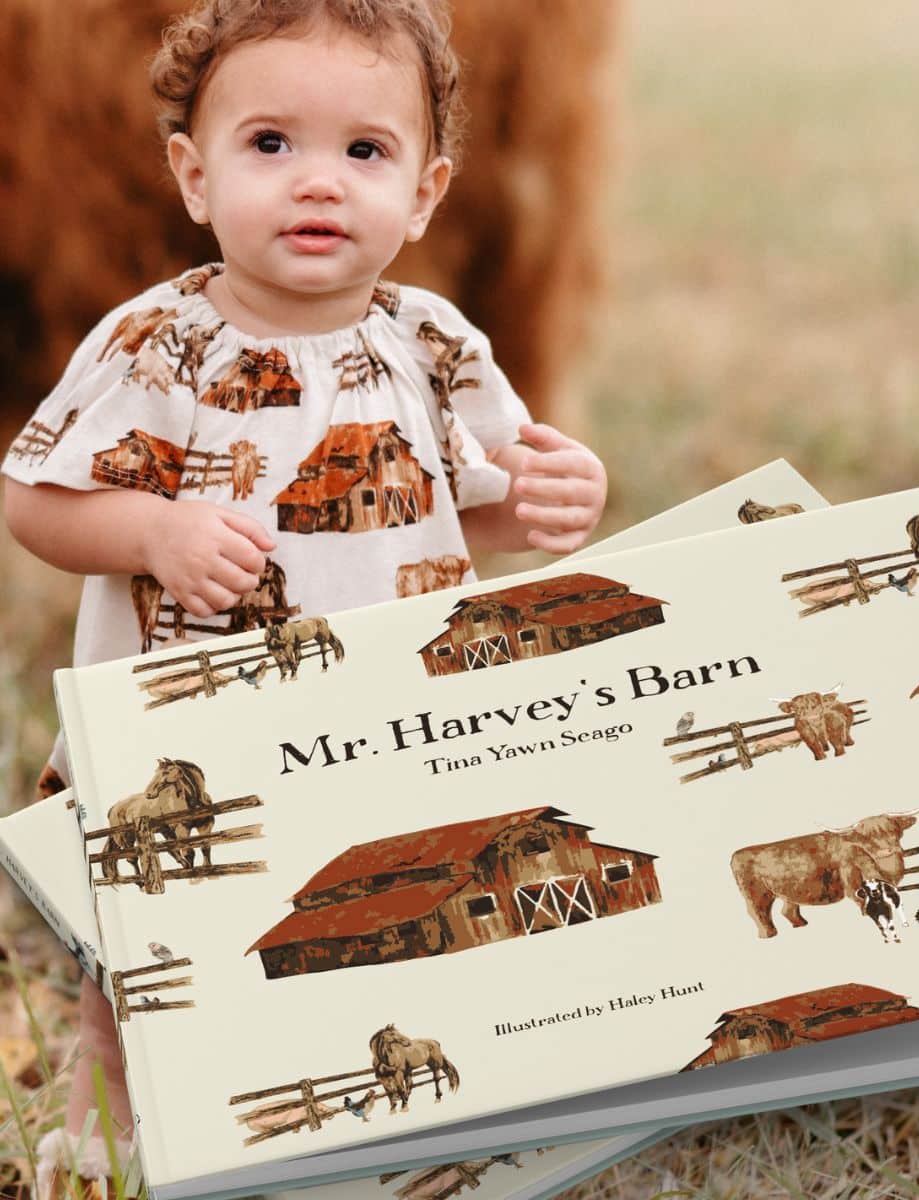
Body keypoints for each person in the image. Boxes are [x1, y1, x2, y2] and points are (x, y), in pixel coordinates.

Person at [1, 2, 607, 1194]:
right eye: (269, 144)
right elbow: (34, 500)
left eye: (363, 153)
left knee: (385, 911)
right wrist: (156, 531)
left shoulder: (439, 346)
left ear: (428, 194)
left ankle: (367, 1115)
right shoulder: (154, 345)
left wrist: (545, 506)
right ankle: (101, 1127)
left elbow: (458, 510)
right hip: (182, 723)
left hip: (384, 723)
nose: (316, 183)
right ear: (192, 174)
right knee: (142, 954)